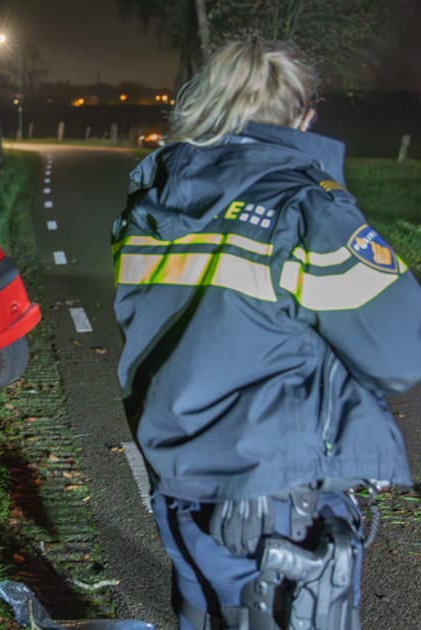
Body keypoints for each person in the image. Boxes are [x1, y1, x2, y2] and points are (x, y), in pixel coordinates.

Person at [112, 37, 421, 629]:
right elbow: (402, 350)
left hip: (181, 480)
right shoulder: (305, 210)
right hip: (277, 497)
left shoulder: (147, 207)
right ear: (304, 115)